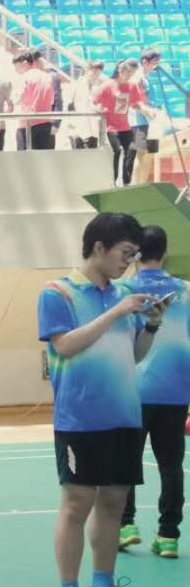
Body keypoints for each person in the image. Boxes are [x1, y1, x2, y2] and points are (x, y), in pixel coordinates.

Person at [40, 213, 162, 587]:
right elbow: (65, 345)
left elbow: (135, 353)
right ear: (99, 247)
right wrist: (117, 313)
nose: (128, 263)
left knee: (113, 504)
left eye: (134, 255)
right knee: (77, 505)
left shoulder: (125, 294)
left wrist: (151, 324)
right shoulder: (58, 292)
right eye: (125, 253)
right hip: (80, 418)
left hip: (124, 415)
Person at [116, 225, 187, 560]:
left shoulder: (124, 291)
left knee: (126, 462)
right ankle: (169, 535)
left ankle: (125, 524)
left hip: (133, 389)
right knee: (171, 465)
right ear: (166, 252)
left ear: (135, 254)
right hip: (176, 390)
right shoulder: (185, 291)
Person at [95, 60, 148, 187]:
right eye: (128, 73)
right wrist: (99, 109)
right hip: (111, 127)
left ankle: (126, 181)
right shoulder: (108, 85)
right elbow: (95, 102)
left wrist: (147, 111)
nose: (130, 76)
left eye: (132, 73)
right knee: (117, 151)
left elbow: (136, 103)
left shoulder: (132, 86)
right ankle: (113, 180)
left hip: (125, 126)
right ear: (120, 71)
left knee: (131, 150)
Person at [16, 50, 57, 150]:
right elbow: (52, 100)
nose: (16, 71)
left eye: (17, 67)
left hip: (28, 123)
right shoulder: (47, 76)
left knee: (24, 157)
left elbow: (18, 98)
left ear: (25, 63)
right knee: (43, 156)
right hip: (46, 122)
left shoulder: (24, 77)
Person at [64, 61, 106, 150]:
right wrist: (71, 122)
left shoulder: (99, 85)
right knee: (79, 153)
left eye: (98, 73)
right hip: (78, 124)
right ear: (88, 70)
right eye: (94, 72)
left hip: (93, 125)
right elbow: (69, 105)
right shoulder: (77, 83)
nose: (95, 75)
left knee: (92, 151)